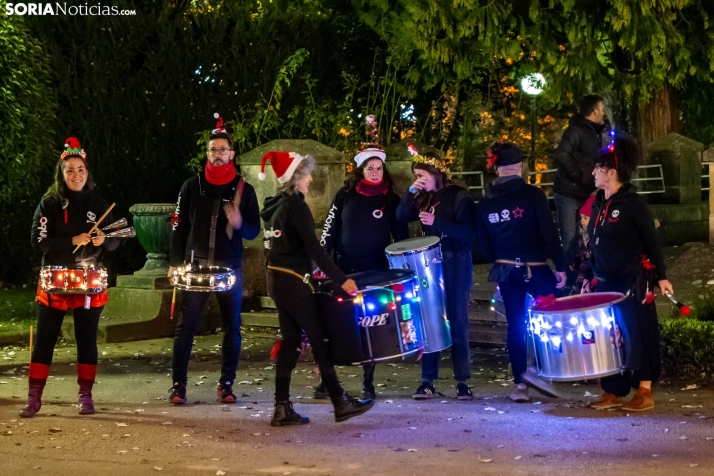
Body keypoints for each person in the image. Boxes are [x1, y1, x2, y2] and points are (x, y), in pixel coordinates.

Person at [258, 150, 374, 425]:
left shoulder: (276, 207)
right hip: (293, 280)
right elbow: (315, 249)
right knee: (319, 337)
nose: (310, 178)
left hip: (276, 279)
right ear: (295, 177)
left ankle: (282, 408)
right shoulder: (296, 206)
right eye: (306, 173)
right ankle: (339, 401)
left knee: (291, 342)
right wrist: (341, 279)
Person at [167, 113, 260, 405]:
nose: (217, 155)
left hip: (229, 265)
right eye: (213, 150)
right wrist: (174, 263)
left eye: (222, 150)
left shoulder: (244, 189)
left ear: (232, 153)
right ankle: (178, 386)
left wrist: (240, 220)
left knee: (231, 325)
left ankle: (226, 384)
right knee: (186, 326)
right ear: (207, 153)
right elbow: (179, 226)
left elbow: (254, 230)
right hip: (194, 266)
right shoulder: (190, 186)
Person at [23, 137, 119, 418]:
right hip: (55, 280)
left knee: (86, 339)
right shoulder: (49, 204)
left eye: (81, 169)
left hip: (89, 282)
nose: (76, 174)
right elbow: (38, 242)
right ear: (61, 173)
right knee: (45, 339)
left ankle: (85, 395)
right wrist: (71, 240)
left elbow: (117, 240)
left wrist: (103, 240)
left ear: (87, 173)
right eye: (70, 169)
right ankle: (34, 396)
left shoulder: (99, 204)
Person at [584, 135, 672, 412]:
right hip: (605, 282)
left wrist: (661, 276)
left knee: (638, 334)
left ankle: (644, 391)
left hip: (633, 281)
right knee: (610, 337)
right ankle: (613, 390)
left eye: (598, 168)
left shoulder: (634, 204)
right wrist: (588, 274)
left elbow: (651, 242)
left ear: (611, 172)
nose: (593, 173)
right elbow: (595, 243)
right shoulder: (598, 203)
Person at [313, 147, 409, 399]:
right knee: (336, 325)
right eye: (369, 168)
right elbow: (330, 229)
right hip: (344, 270)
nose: (375, 172)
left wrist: (401, 268)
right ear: (360, 170)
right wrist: (323, 262)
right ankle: (328, 379)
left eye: (378, 168)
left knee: (371, 325)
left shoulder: (391, 199)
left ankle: (368, 380)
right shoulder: (344, 195)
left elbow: (401, 237)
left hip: (375, 271)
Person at [475, 142, 567, 402]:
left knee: (515, 324)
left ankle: (520, 385)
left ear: (496, 169)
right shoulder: (533, 195)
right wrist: (560, 266)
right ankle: (543, 369)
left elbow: (482, 244)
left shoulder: (484, 204)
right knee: (549, 319)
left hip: (506, 271)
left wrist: (501, 258)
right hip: (536, 269)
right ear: (521, 167)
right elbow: (550, 233)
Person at [396, 145, 476, 400]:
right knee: (428, 318)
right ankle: (427, 380)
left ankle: (462, 381)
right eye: (416, 174)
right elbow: (401, 217)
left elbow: (469, 232)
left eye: (423, 174)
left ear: (437, 172)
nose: (419, 179)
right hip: (429, 264)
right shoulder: (422, 195)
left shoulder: (459, 196)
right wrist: (411, 192)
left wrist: (437, 223)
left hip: (456, 261)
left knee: (457, 319)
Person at [553, 95, 608, 283]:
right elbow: (561, 154)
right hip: (568, 193)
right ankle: (569, 280)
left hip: (585, 192)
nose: (603, 112)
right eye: (602, 109)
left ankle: (585, 277)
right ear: (595, 111)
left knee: (587, 235)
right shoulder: (576, 130)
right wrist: (579, 176)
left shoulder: (596, 133)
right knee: (569, 238)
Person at [571, 195, 595, 293]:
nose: (582, 221)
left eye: (586, 218)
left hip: (591, 278)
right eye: (581, 217)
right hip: (581, 276)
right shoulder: (582, 235)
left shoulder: (595, 237)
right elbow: (579, 252)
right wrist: (575, 263)